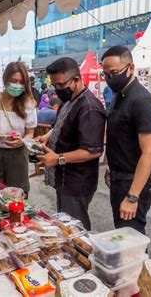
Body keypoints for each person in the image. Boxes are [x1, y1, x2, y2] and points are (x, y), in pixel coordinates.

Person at [36, 57, 106, 230]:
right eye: (54, 86)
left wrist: (58, 158)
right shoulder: (69, 100)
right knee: (64, 224)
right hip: (64, 178)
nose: (57, 90)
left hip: (77, 182)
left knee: (75, 229)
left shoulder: (89, 108)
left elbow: (93, 151)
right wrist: (48, 137)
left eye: (60, 85)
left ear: (76, 80)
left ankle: (84, 256)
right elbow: (65, 122)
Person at [102, 46, 151, 235]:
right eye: (106, 74)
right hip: (119, 178)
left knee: (132, 238)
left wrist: (133, 196)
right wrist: (109, 165)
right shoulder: (120, 95)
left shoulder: (141, 100)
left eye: (114, 73)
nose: (110, 78)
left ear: (131, 68)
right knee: (122, 233)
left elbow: (149, 152)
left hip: (133, 182)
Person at [0, 62, 37, 196]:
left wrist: (22, 141)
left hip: (18, 155)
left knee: (17, 196)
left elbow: (30, 133)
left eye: (21, 82)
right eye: (14, 81)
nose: (17, 85)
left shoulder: (28, 103)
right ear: (5, 79)